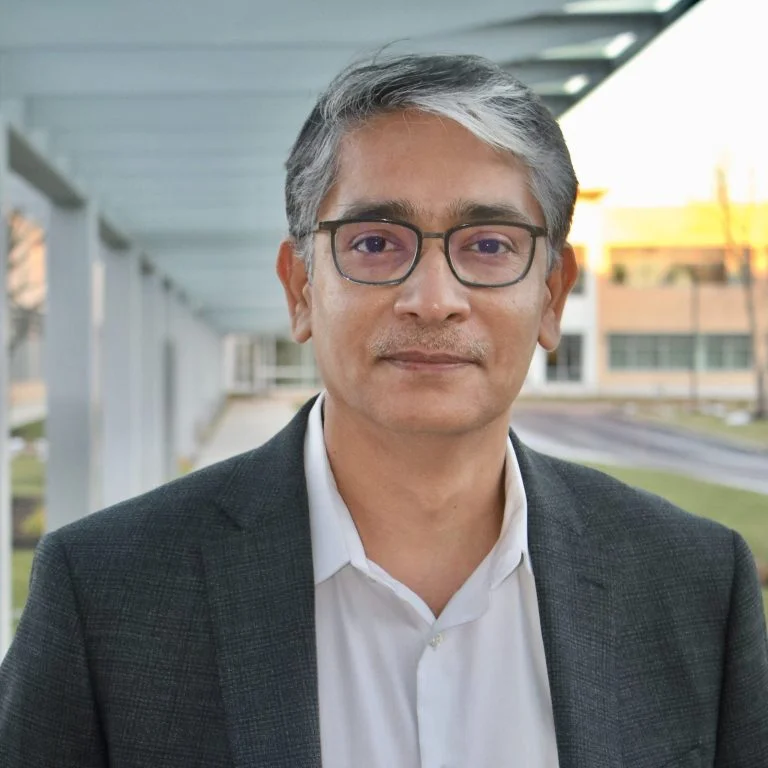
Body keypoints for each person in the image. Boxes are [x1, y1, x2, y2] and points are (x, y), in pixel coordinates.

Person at [1, 54, 767, 768]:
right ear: (301, 289)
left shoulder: (695, 585)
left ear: (552, 296)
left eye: (489, 246)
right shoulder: (107, 594)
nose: (433, 300)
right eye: (374, 243)